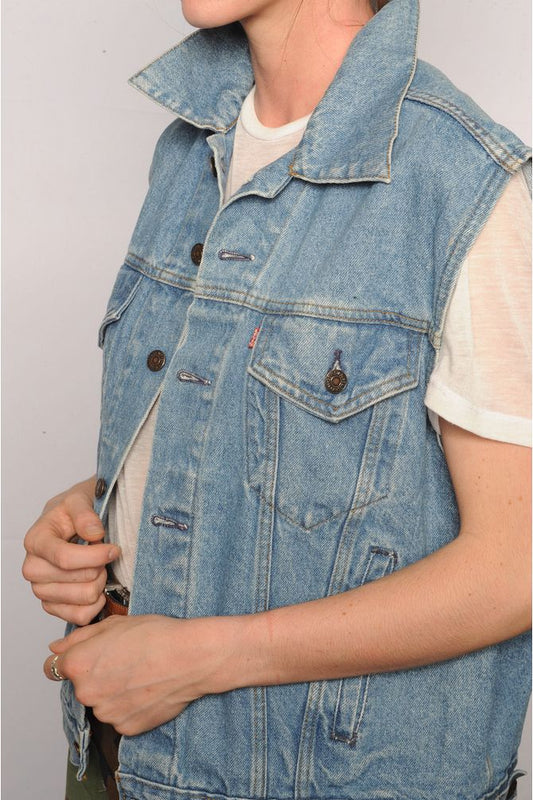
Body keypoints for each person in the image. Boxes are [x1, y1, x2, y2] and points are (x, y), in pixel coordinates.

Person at [22, 1, 531, 799]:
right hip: (117, 744)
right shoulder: (190, 149)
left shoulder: (464, 183)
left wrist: (200, 659)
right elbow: (253, 434)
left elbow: (513, 567)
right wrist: (101, 511)